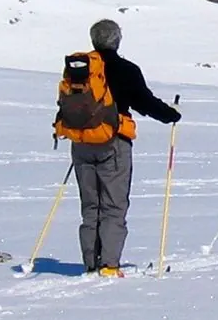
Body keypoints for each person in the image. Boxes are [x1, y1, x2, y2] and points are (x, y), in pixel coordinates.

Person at [61, 20, 180, 277]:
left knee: (90, 206)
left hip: (81, 142)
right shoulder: (125, 69)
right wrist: (171, 114)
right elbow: (144, 102)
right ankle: (109, 265)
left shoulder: (79, 69)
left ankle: (91, 263)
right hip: (113, 143)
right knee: (114, 205)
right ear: (117, 40)